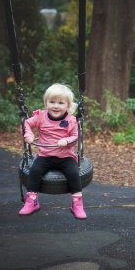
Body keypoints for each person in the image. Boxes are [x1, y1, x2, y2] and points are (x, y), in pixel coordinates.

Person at [19, 83, 86, 219]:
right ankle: (32, 201)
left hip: (65, 156)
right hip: (45, 156)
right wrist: (29, 135)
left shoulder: (71, 120)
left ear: (67, 106)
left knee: (74, 174)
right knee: (34, 171)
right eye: (52, 102)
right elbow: (26, 123)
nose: (56, 106)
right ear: (46, 103)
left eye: (61, 103)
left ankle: (77, 204)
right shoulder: (40, 117)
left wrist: (67, 141)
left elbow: (76, 137)